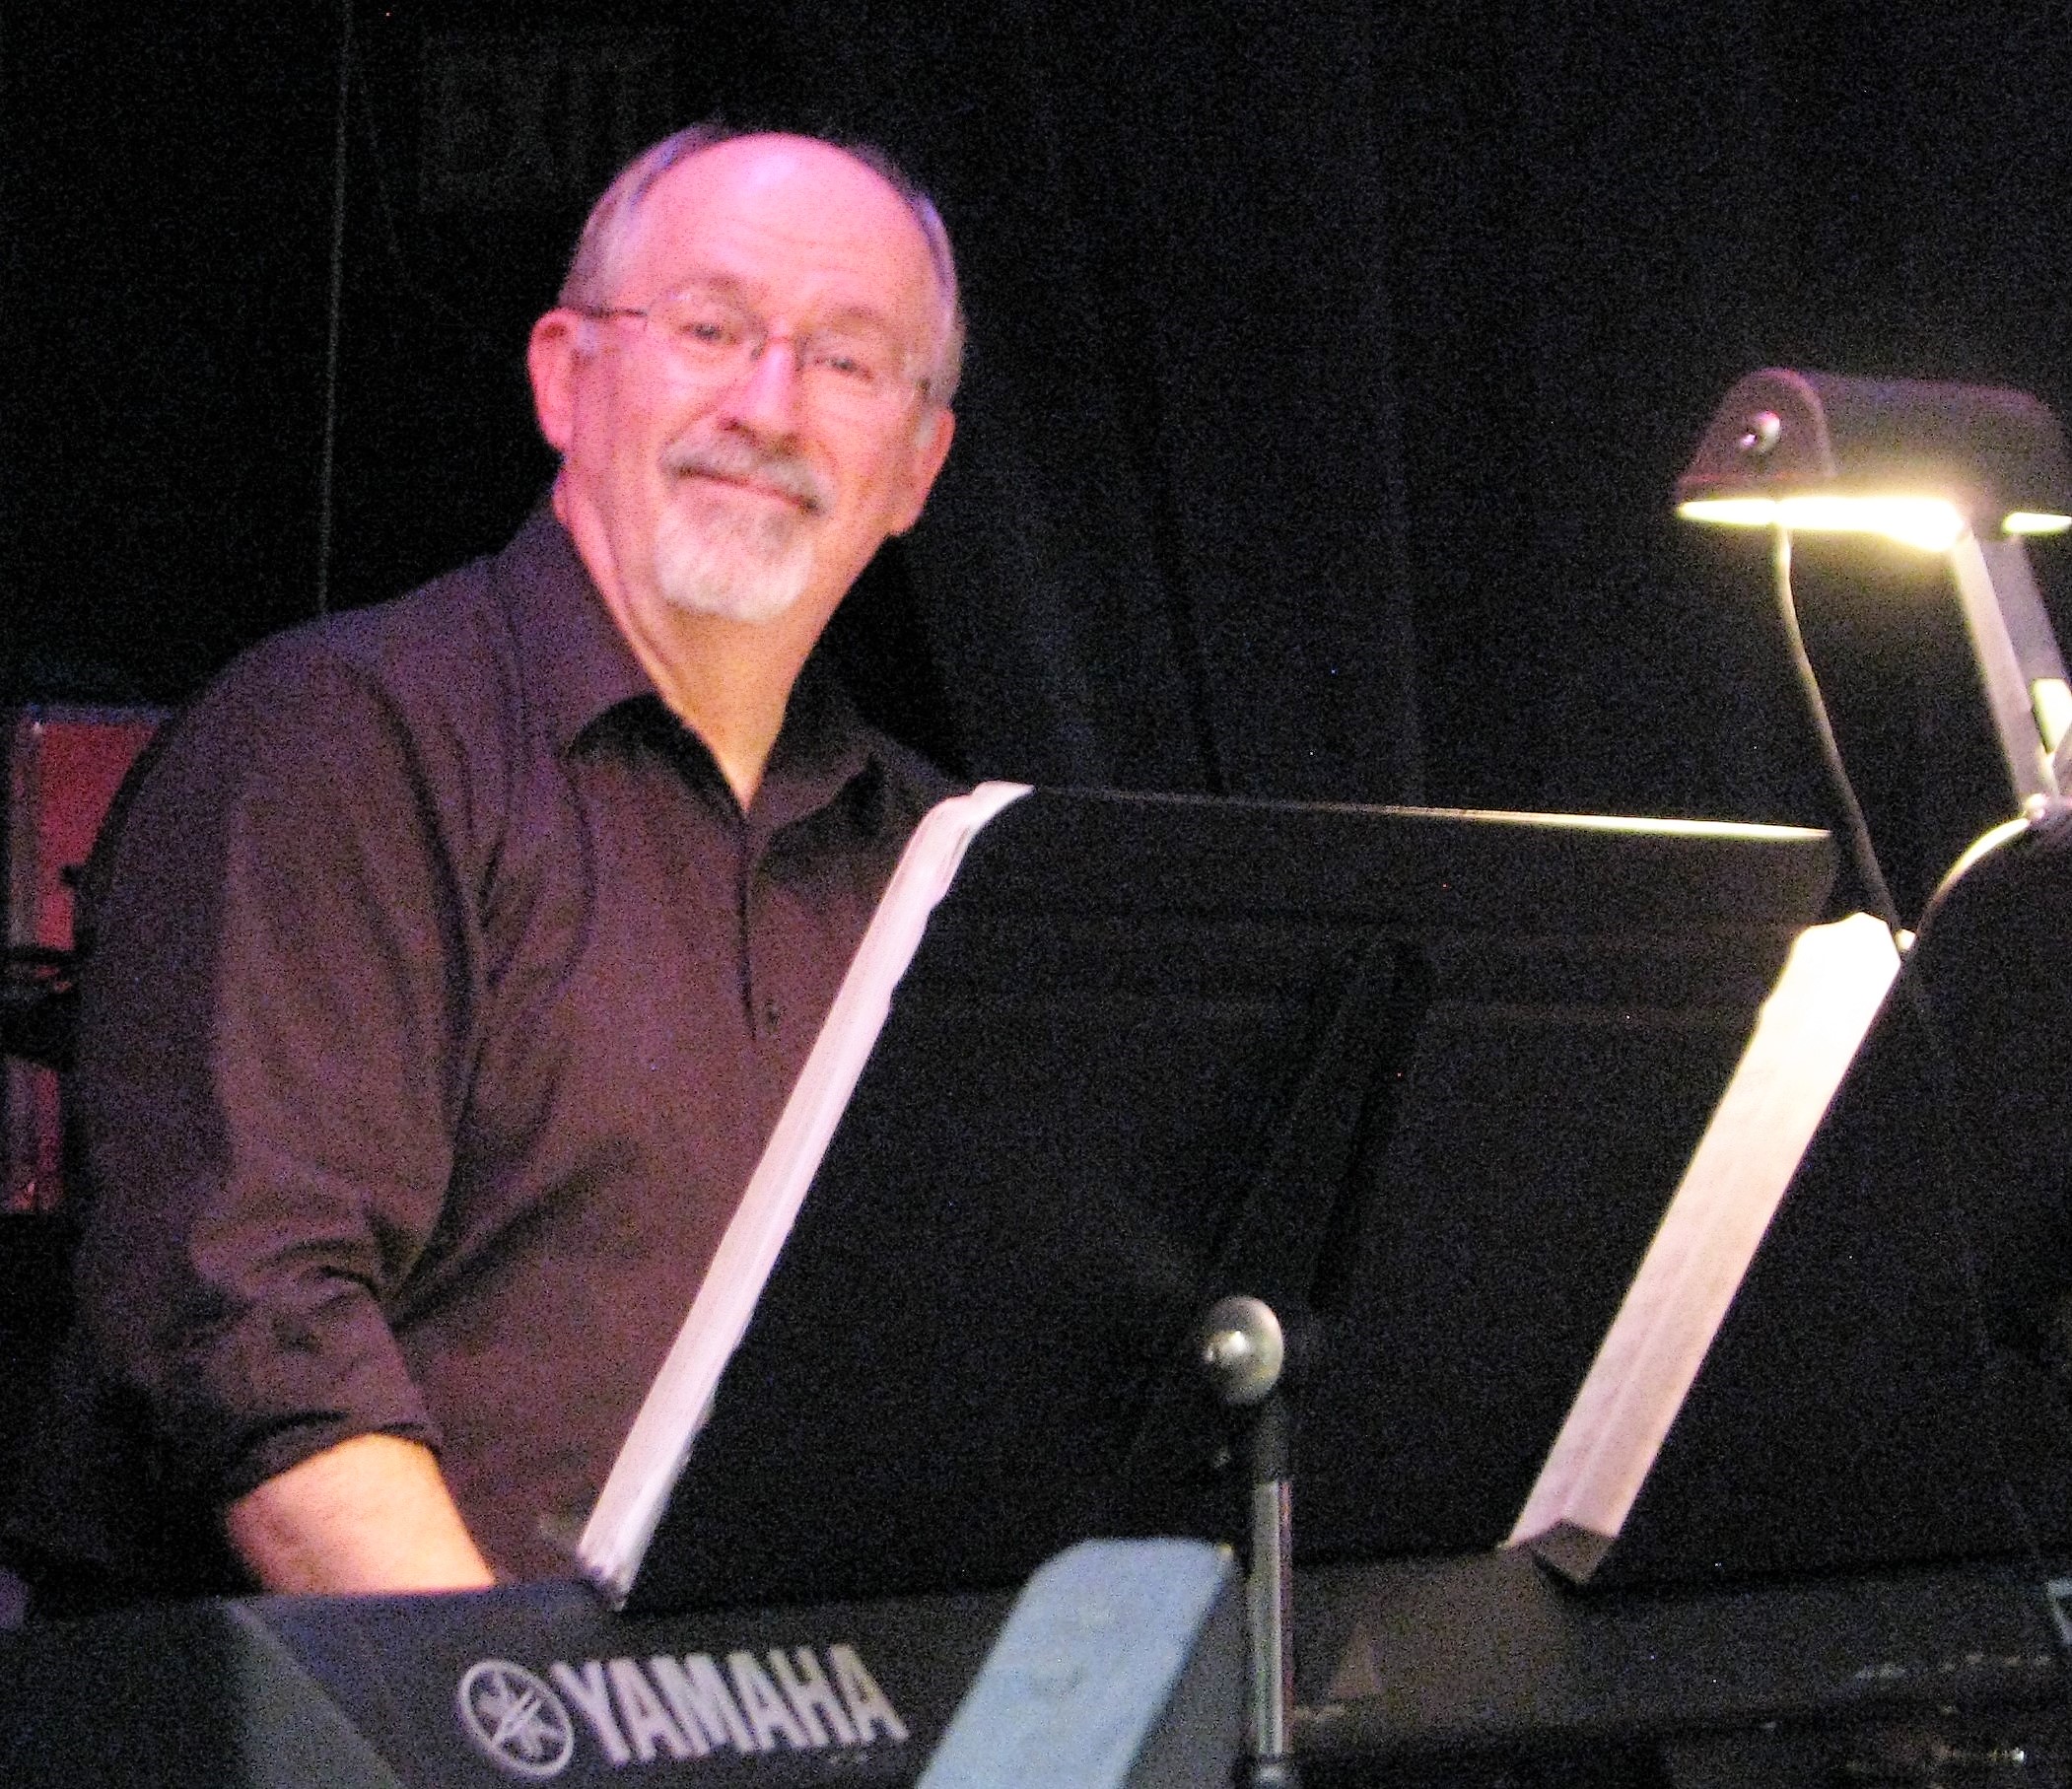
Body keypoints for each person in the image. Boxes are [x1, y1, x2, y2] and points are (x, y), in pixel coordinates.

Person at [6, 123, 963, 1605]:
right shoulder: (334, 743)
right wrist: (525, 1719)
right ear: (565, 376)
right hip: (391, 1710)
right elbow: (253, 1333)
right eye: (709, 330)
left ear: (917, 465)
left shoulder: (943, 859)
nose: (768, 407)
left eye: (845, 361)